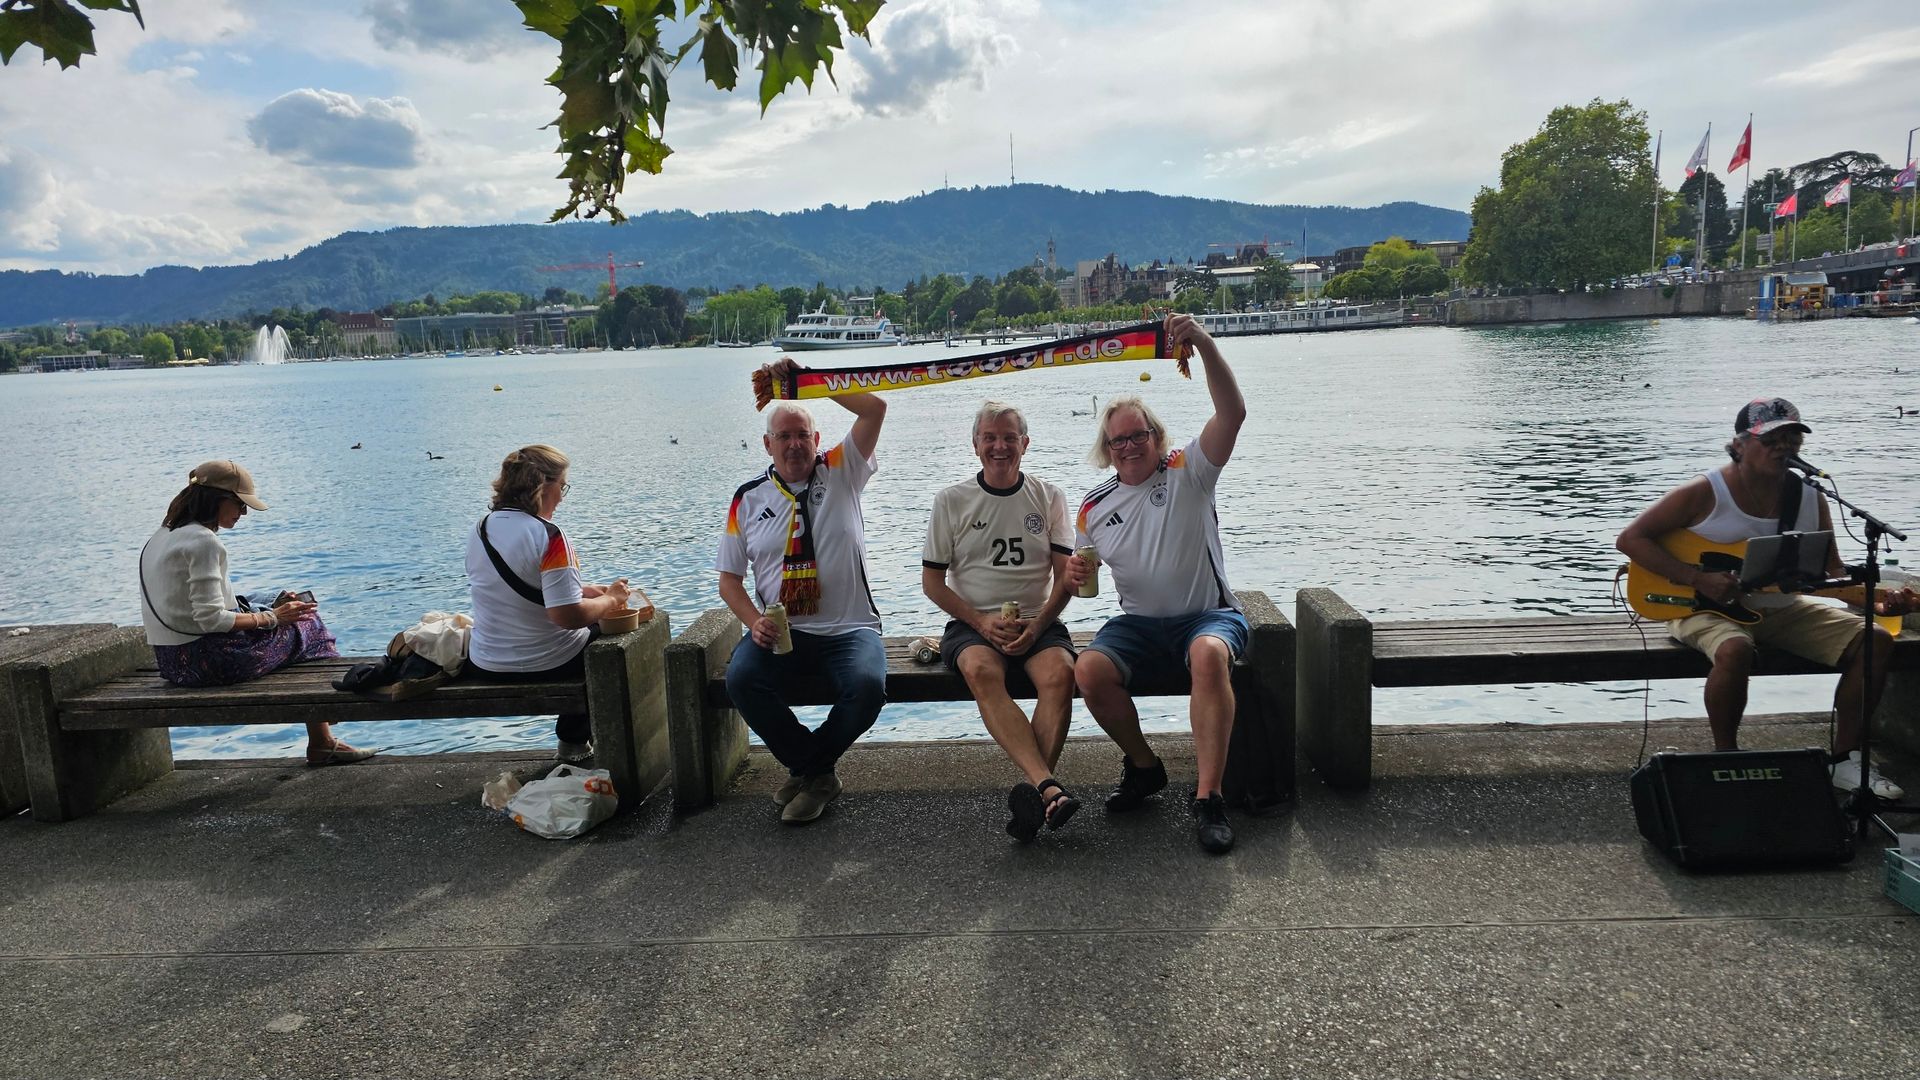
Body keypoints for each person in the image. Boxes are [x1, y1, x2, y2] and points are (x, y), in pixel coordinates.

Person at [1616, 397, 1901, 798]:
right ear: (1739, 445)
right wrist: (1697, 578)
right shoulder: (1704, 491)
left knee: (1875, 640)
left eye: (1792, 440)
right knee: (1735, 649)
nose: (1783, 448)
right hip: (1700, 607)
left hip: (1782, 607)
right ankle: (1727, 757)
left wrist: (1877, 601)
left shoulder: (1811, 496)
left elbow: (1830, 573)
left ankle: (1845, 760)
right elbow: (1630, 539)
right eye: (1770, 440)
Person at [1069, 314, 1249, 854]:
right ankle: (1145, 767)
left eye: (1138, 435)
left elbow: (1233, 414)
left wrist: (1204, 344)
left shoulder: (1189, 469)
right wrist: (1073, 575)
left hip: (1209, 615)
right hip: (1141, 626)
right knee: (1088, 670)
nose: (1129, 446)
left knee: (1209, 655)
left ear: (1156, 436)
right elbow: (1082, 574)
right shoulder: (1093, 508)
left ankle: (1209, 797)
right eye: (1118, 440)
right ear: (1106, 448)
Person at [718, 360, 887, 825]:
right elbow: (728, 580)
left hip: (850, 629)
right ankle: (817, 772)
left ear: (816, 440)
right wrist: (754, 622)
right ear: (767, 444)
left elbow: (874, 409)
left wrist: (808, 381)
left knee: (867, 688)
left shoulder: (841, 470)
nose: (794, 444)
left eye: (802, 435)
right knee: (740, 680)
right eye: (784, 436)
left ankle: (809, 772)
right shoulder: (747, 499)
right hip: (783, 634)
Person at [138, 460, 372, 766]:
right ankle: (324, 738)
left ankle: (322, 738)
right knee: (308, 624)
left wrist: (270, 603)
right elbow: (211, 619)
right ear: (216, 498)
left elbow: (194, 607)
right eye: (239, 504)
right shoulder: (204, 542)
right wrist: (274, 618)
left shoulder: (161, 536)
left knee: (291, 619)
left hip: (170, 662)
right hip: (209, 664)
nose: (244, 513)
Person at [923, 400, 1081, 842]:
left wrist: (1038, 625)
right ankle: (1048, 788)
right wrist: (980, 622)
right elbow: (933, 584)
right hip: (972, 623)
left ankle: (1037, 796)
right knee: (980, 670)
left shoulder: (1049, 496)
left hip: (1037, 619)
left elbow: (1065, 578)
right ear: (975, 445)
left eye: (1009, 438)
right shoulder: (951, 500)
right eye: (989, 438)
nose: (999, 446)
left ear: (1024, 444)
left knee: (1061, 675)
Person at [464, 444, 630, 763]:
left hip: (486, 662)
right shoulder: (550, 536)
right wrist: (611, 599)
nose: (562, 498)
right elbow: (568, 617)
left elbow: (507, 586)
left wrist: (582, 589)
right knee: (619, 638)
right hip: (546, 662)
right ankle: (576, 742)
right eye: (562, 487)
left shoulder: (481, 529)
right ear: (543, 486)